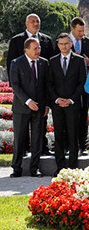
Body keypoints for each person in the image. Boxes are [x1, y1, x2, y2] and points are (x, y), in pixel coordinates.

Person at [9, 38, 49, 178]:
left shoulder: (44, 63)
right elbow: (15, 86)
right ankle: (17, 168)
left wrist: (46, 105)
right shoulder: (16, 63)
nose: (38, 51)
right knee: (20, 138)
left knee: (37, 139)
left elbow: (46, 85)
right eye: (35, 48)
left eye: (39, 48)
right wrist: (28, 101)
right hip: (22, 108)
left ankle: (35, 169)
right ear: (26, 50)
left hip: (39, 108)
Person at [47, 34, 87, 175]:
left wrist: (71, 99)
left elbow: (82, 82)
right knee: (58, 136)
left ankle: (72, 167)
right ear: (58, 45)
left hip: (73, 104)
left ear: (71, 44)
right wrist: (57, 99)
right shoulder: (52, 61)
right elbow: (49, 83)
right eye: (61, 44)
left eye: (66, 43)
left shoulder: (79, 60)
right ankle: (60, 168)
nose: (64, 46)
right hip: (57, 105)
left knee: (73, 135)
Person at [69, 17, 89, 156]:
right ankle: (68, 145)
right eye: (79, 31)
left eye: (83, 31)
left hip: (84, 84)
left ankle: (83, 145)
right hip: (68, 85)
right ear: (72, 29)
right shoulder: (63, 42)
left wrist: (87, 61)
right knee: (68, 116)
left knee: (83, 114)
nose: (81, 34)